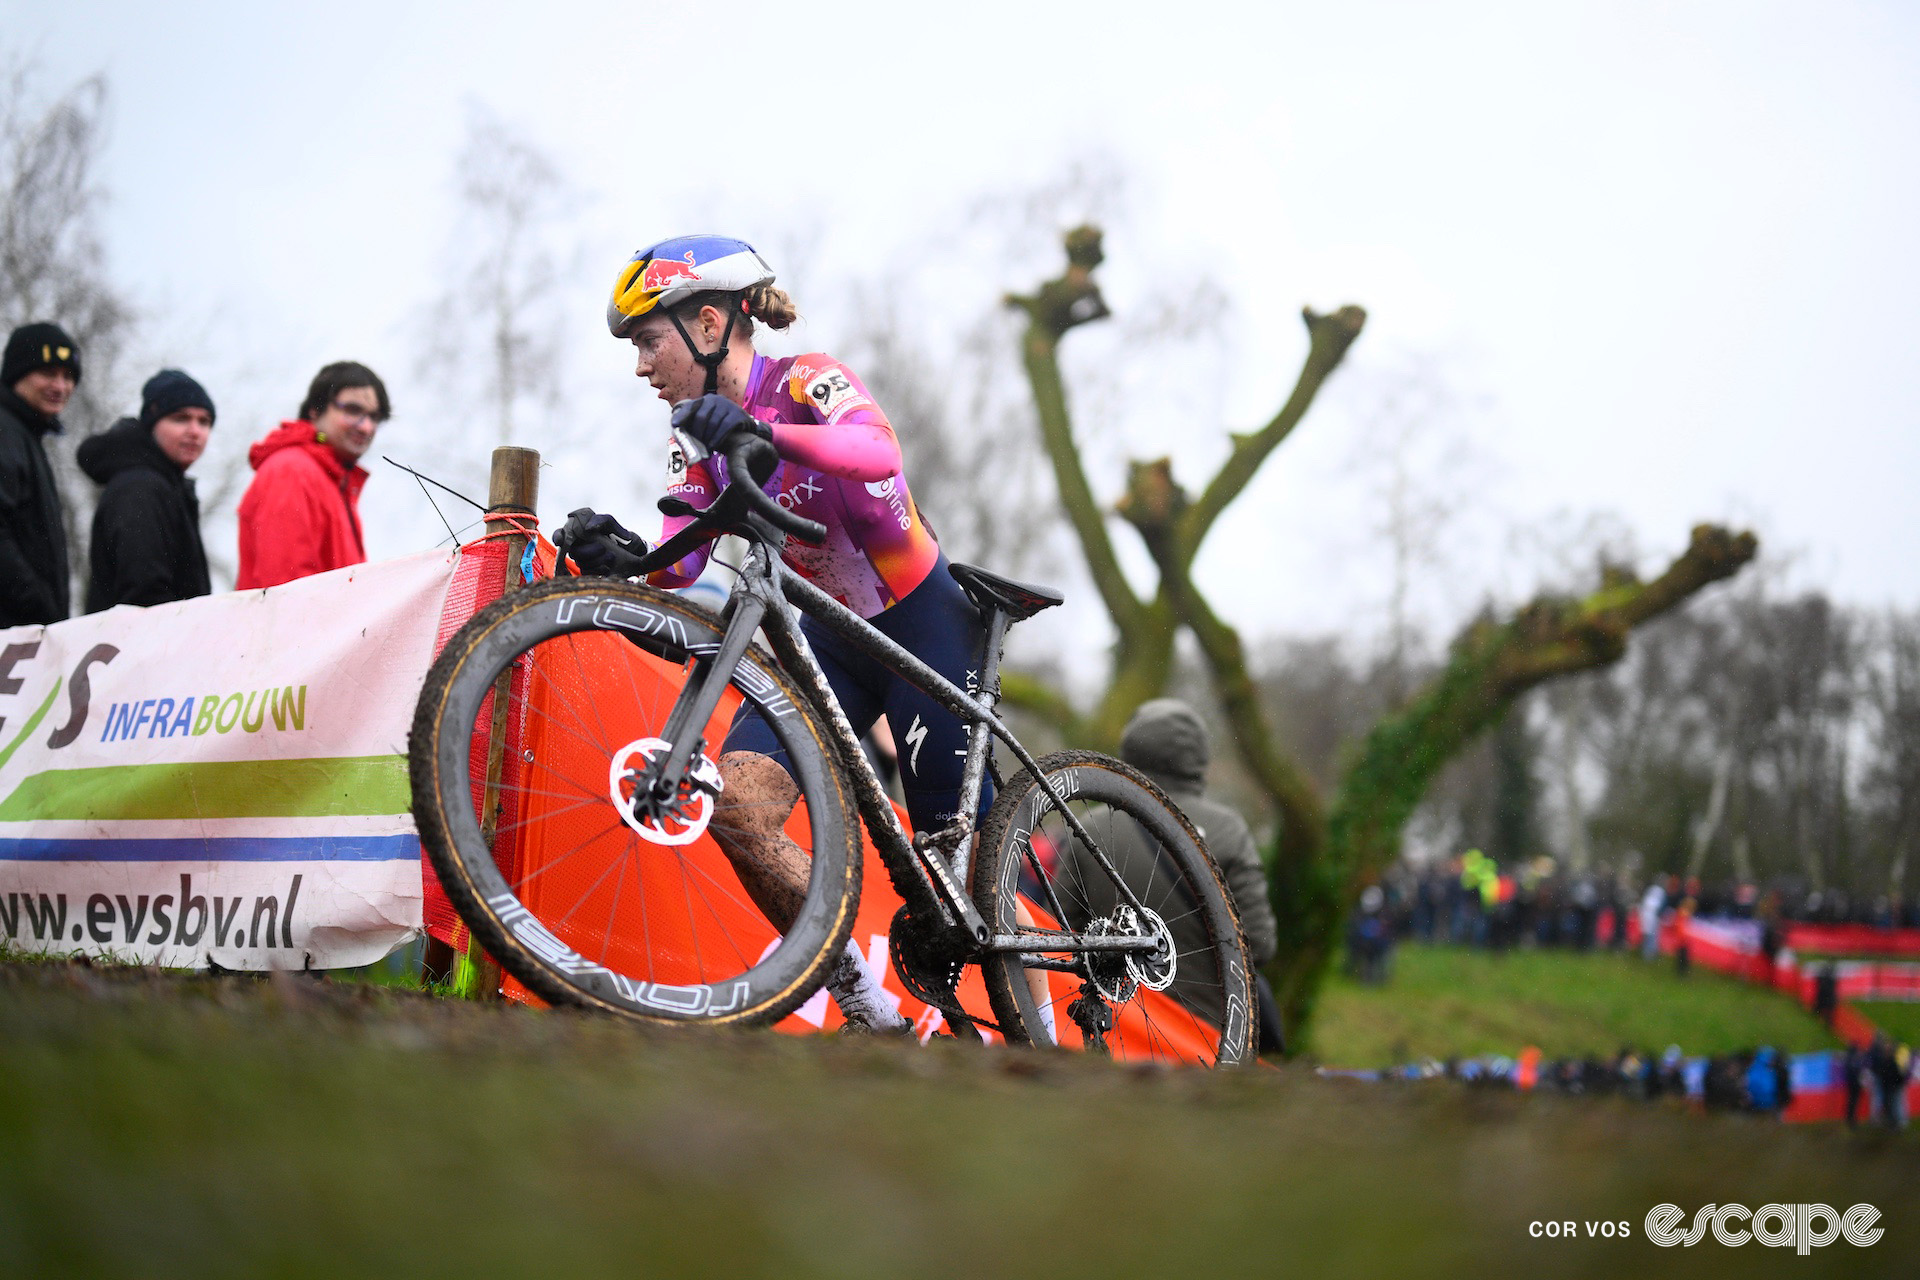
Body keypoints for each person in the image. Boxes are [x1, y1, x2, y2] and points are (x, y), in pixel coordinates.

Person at [567, 235, 983, 1033]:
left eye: (649, 342)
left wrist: (771, 435)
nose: (641, 365)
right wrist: (620, 559)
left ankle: (1045, 1030)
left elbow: (875, 449)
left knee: (957, 871)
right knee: (737, 812)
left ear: (711, 324)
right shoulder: (694, 435)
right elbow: (679, 571)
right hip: (830, 642)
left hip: (920, 624)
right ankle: (868, 1001)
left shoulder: (805, 380)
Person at [1107, 698, 1286, 1050]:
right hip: (1208, 1037)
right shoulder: (1230, 829)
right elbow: (1259, 944)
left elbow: (1058, 932)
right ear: (1199, 759)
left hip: (1110, 1033)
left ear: (1131, 750)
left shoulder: (1086, 829)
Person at [236, 361, 389, 589]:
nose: (366, 427)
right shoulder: (292, 471)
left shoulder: (332, 480)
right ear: (315, 410)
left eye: (374, 417)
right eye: (353, 410)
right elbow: (287, 592)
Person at [78, 370, 214, 611]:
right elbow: (145, 593)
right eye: (180, 418)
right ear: (153, 423)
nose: (195, 431)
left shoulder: (167, 487)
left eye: (204, 421)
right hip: (145, 643)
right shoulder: (140, 488)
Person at [0, 322, 81, 627]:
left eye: (68, 376)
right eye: (48, 373)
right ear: (17, 374)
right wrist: (38, 608)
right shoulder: (6, 431)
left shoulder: (25, 436)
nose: (60, 387)